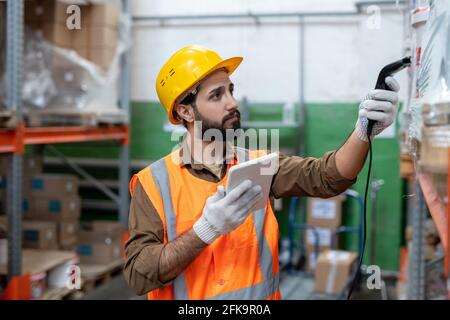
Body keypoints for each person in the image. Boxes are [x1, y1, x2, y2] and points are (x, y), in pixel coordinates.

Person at [124, 45, 400, 299]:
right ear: (186, 111)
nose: (232, 102)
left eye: (230, 90)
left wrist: (364, 131)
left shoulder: (259, 166)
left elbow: (328, 177)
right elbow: (138, 275)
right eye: (217, 95)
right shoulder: (153, 184)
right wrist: (205, 231)